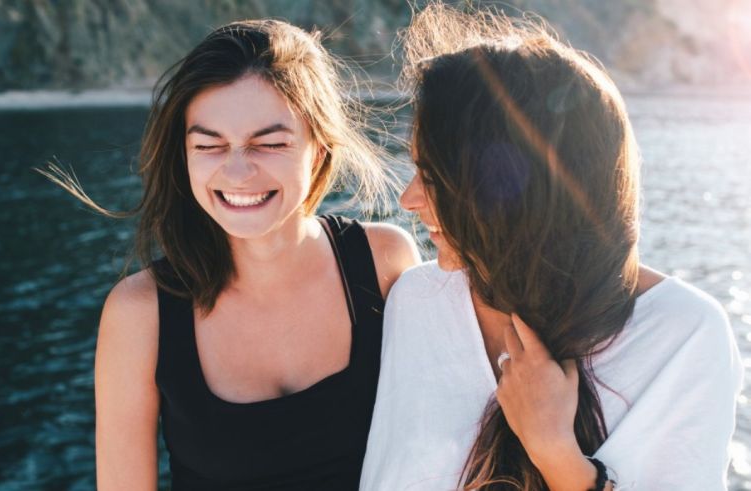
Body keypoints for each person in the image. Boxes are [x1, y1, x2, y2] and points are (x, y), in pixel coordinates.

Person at [360, 4, 743, 490]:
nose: (408, 199)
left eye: (435, 178)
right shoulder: (417, 302)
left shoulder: (683, 334)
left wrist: (555, 452)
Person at [42, 19, 420, 490]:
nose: (238, 171)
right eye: (209, 145)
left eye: (269, 143)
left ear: (318, 150)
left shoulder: (384, 261)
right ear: (184, 154)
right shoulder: (141, 313)